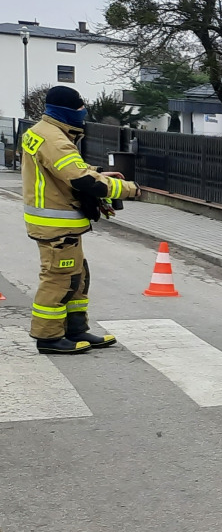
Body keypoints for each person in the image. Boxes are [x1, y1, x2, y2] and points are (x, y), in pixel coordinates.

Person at [19, 86, 139, 355]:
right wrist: (130, 190)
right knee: (59, 279)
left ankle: (75, 330)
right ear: (66, 110)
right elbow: (81, 179)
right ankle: (49, 338)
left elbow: (66, 169)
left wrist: (98, 172)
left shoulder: (45, 132)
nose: (83, 113)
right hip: (55, 226)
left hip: (59, 224)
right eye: (80, 108)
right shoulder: (52, 138)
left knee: (77, 277)